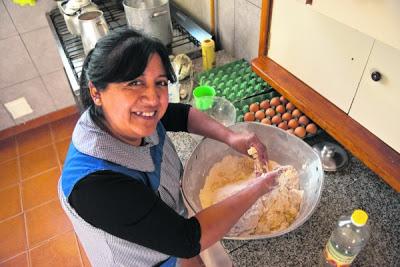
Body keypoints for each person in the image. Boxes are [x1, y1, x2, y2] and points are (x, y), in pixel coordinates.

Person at [59, 29, 282, 267]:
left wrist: (230, 137)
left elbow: (178, 114)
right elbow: (186, 239)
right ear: (96, 92)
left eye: (160, 83)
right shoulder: (95, 187)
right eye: (134, 83)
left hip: (170, 239)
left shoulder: (129, 121)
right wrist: (260, 186)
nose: (153, 99)